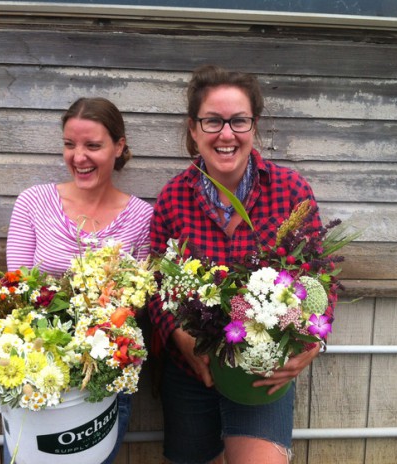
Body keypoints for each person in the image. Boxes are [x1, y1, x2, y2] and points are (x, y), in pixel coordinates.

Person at [148, 65, 324, 464]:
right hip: (193, 368)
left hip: (262, 371)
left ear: (254, 126)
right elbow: (157, 284)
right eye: (212, 121)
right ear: (193, 129)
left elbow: (317, 278)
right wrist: (183, 340)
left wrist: (311, 343)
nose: (226, 134)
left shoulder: (290, 191)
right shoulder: (174, 197)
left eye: (238, 121)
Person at [5, 97, 153, 464]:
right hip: (36, 374)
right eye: (70, 144)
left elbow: (139, 303)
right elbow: (16, 291)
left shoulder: (142, 217)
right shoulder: (33, 203)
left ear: (119, 147)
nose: (78, 157)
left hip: (102, 381)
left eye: (93, 145)